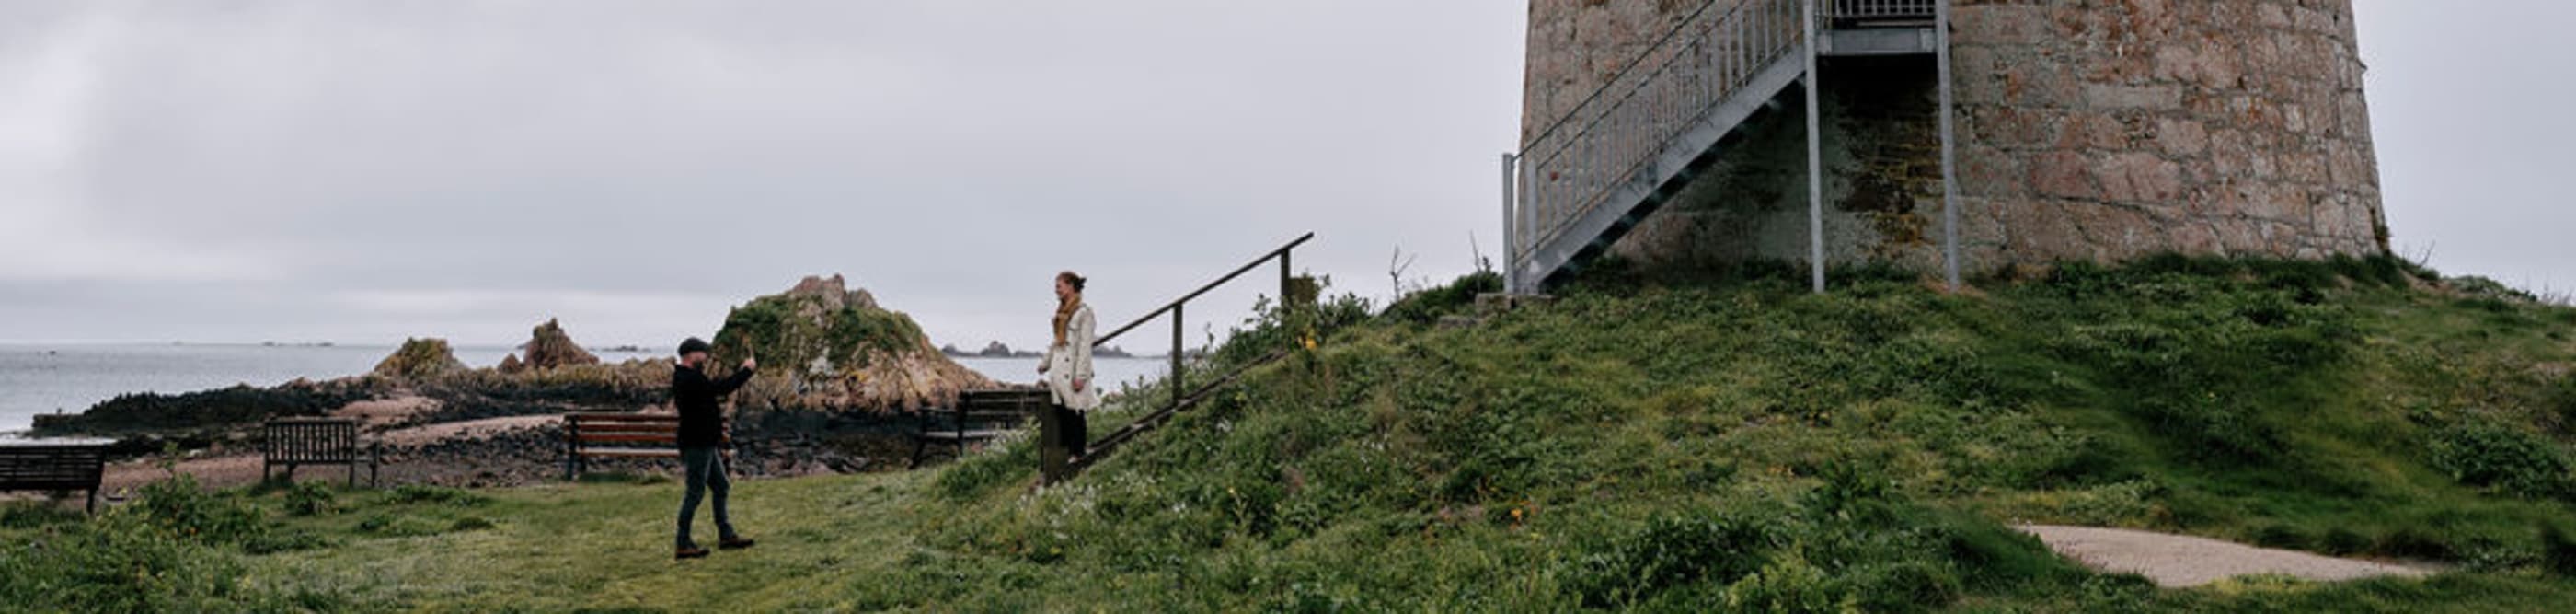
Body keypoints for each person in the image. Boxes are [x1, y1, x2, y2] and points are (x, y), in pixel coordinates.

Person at [672, 337, 755, 560]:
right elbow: (722, 389)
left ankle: (726, 534)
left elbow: (712, 391)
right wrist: (746, 371)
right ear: (691, 354)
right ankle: (683, 542)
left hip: (705, 442)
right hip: (697, 444)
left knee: (721, 486)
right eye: (702, 353)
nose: (705, 357)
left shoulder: (689, 377)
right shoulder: (688, 378)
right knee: (695, 492)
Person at [1039, 271, 1099, 476]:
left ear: (1072, 286)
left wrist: (1081, 376)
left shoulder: (1084, 313)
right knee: (1063, 413)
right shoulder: (1061, 312)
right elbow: (1057, 341)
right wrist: (1045, 363)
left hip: (1072, 371)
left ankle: (1078, 454)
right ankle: (1067, 455)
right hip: (1058, 371)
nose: (1056, 289)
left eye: (1060, 285)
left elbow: (1085, 347)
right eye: (1056, 285)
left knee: (1076, 413)